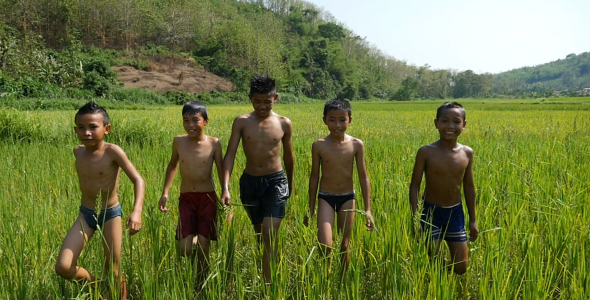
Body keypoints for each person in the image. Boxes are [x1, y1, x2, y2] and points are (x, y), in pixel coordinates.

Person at [55, 102, 145, 299]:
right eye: (81, 127)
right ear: (75, 129)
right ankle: (97, 286)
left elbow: (138, 180)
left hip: (110, 214)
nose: (86, 132)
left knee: (113, 268)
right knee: (63, 266)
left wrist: (137, 210)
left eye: (93, 127)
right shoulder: (78, 151)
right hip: (86, 214)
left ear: (107, 129)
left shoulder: (113, 151)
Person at [221, 74, 294, 284]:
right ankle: (266, 274)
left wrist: (290, 185)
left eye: (267, 102)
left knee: (270, 233)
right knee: (260, 234)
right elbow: (230, 155)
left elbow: (289, 157)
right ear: (250, 98)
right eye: (257, 101)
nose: (262, 106)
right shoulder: (242, 122)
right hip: (250, 183)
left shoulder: (284, 123)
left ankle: (269, 285)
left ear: (276, 98)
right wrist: (225, 187)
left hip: (276, 182)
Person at [159, 100, 226, 291]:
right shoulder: (178, 141)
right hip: (187, 198)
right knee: (184, 249)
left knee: (205, 248)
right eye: (185, 120)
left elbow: (221, 169)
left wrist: (225, 191)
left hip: (208, 198)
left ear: (206, 121)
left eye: (195, 120)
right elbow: (173, 165)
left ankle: (200, 285)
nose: (190, 125)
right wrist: (165, 192)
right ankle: (194, 241)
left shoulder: (214, 143)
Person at [306, 99, 375, 276]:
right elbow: (314, 177)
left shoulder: (356, 145)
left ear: (350, 120)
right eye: (332, 120)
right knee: (325, 245)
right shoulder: (319, 145)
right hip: (325, 197)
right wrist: (311, 208)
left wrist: (368, 209)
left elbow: (363, 176)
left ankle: (342, 281)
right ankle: (325, 277)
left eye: (342, 119)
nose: (337, 125)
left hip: (347, 198)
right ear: (324, 120)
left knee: (345, 245)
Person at [409, 101, 478, 275]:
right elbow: (415, 185)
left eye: (456, 121)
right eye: (445, 121)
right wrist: (415, 218)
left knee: (461, 267)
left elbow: (469, 187)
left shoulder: (467, 153)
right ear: (436, 123)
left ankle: (443, 276)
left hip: (455, 213)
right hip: (430, 212)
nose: (450, 126)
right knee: (435, 259)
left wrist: (473, 220)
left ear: (464, 125)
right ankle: (438, 283)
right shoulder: (426, 152)